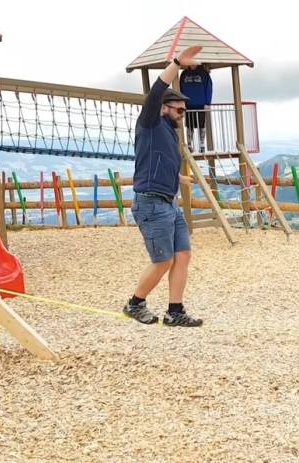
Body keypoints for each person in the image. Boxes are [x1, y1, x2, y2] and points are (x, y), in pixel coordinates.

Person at [123, 45, 203, 327]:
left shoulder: (168, 133)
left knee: (183, 255)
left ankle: (175, 312)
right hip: (151, 203)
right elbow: (157, 89)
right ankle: (135, 304)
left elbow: (157, 163)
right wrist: (178, 63)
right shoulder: (150, 122)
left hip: (168, 202)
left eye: (184, 109)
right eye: (178, 108)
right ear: (163, 108)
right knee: (163, 261)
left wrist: (179, 179)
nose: (183, 112)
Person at [179, 63, 213, 153]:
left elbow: (209, 88)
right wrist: (181, 102)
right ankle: (189, 145)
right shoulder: (184, 74)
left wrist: (207, 103)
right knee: (189, 126)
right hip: (188, 105)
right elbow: (180, 89)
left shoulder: (204, 74)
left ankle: (202, 144)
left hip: (201, 105)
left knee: (201, 126)